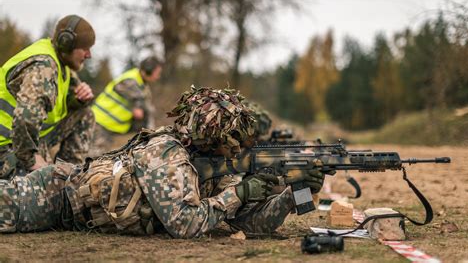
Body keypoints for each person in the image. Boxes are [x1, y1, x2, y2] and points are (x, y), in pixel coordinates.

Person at [0, 86, 327, 238]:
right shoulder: (166, 153)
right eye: (233, 142)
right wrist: (239, 194)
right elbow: (185, 225)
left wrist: (292, 195)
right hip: (55, 196)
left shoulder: (213, 166)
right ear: (212, 138)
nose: (238, 149)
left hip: (74, 217)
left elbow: (251, 226)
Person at [0, 15, 96, 179]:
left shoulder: (62, 64)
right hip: (7, 146)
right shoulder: (44, 66)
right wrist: (30, 160)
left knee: (85, 114)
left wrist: (78, 100)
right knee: (46, 195)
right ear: (67, 43)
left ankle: (68, 176)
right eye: (85, 48)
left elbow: (58, 104)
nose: (89, 55)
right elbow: (25, 117)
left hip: (28, 138)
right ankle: (57, 184)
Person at [90, 56, 162, 156]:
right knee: (94, 158)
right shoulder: (131, 80)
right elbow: (140, 103)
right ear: (148, 70)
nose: (158, 76)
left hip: (109, 124)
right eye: (157, 73)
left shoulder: (142, 84)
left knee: (102, 156)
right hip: (100, 121)